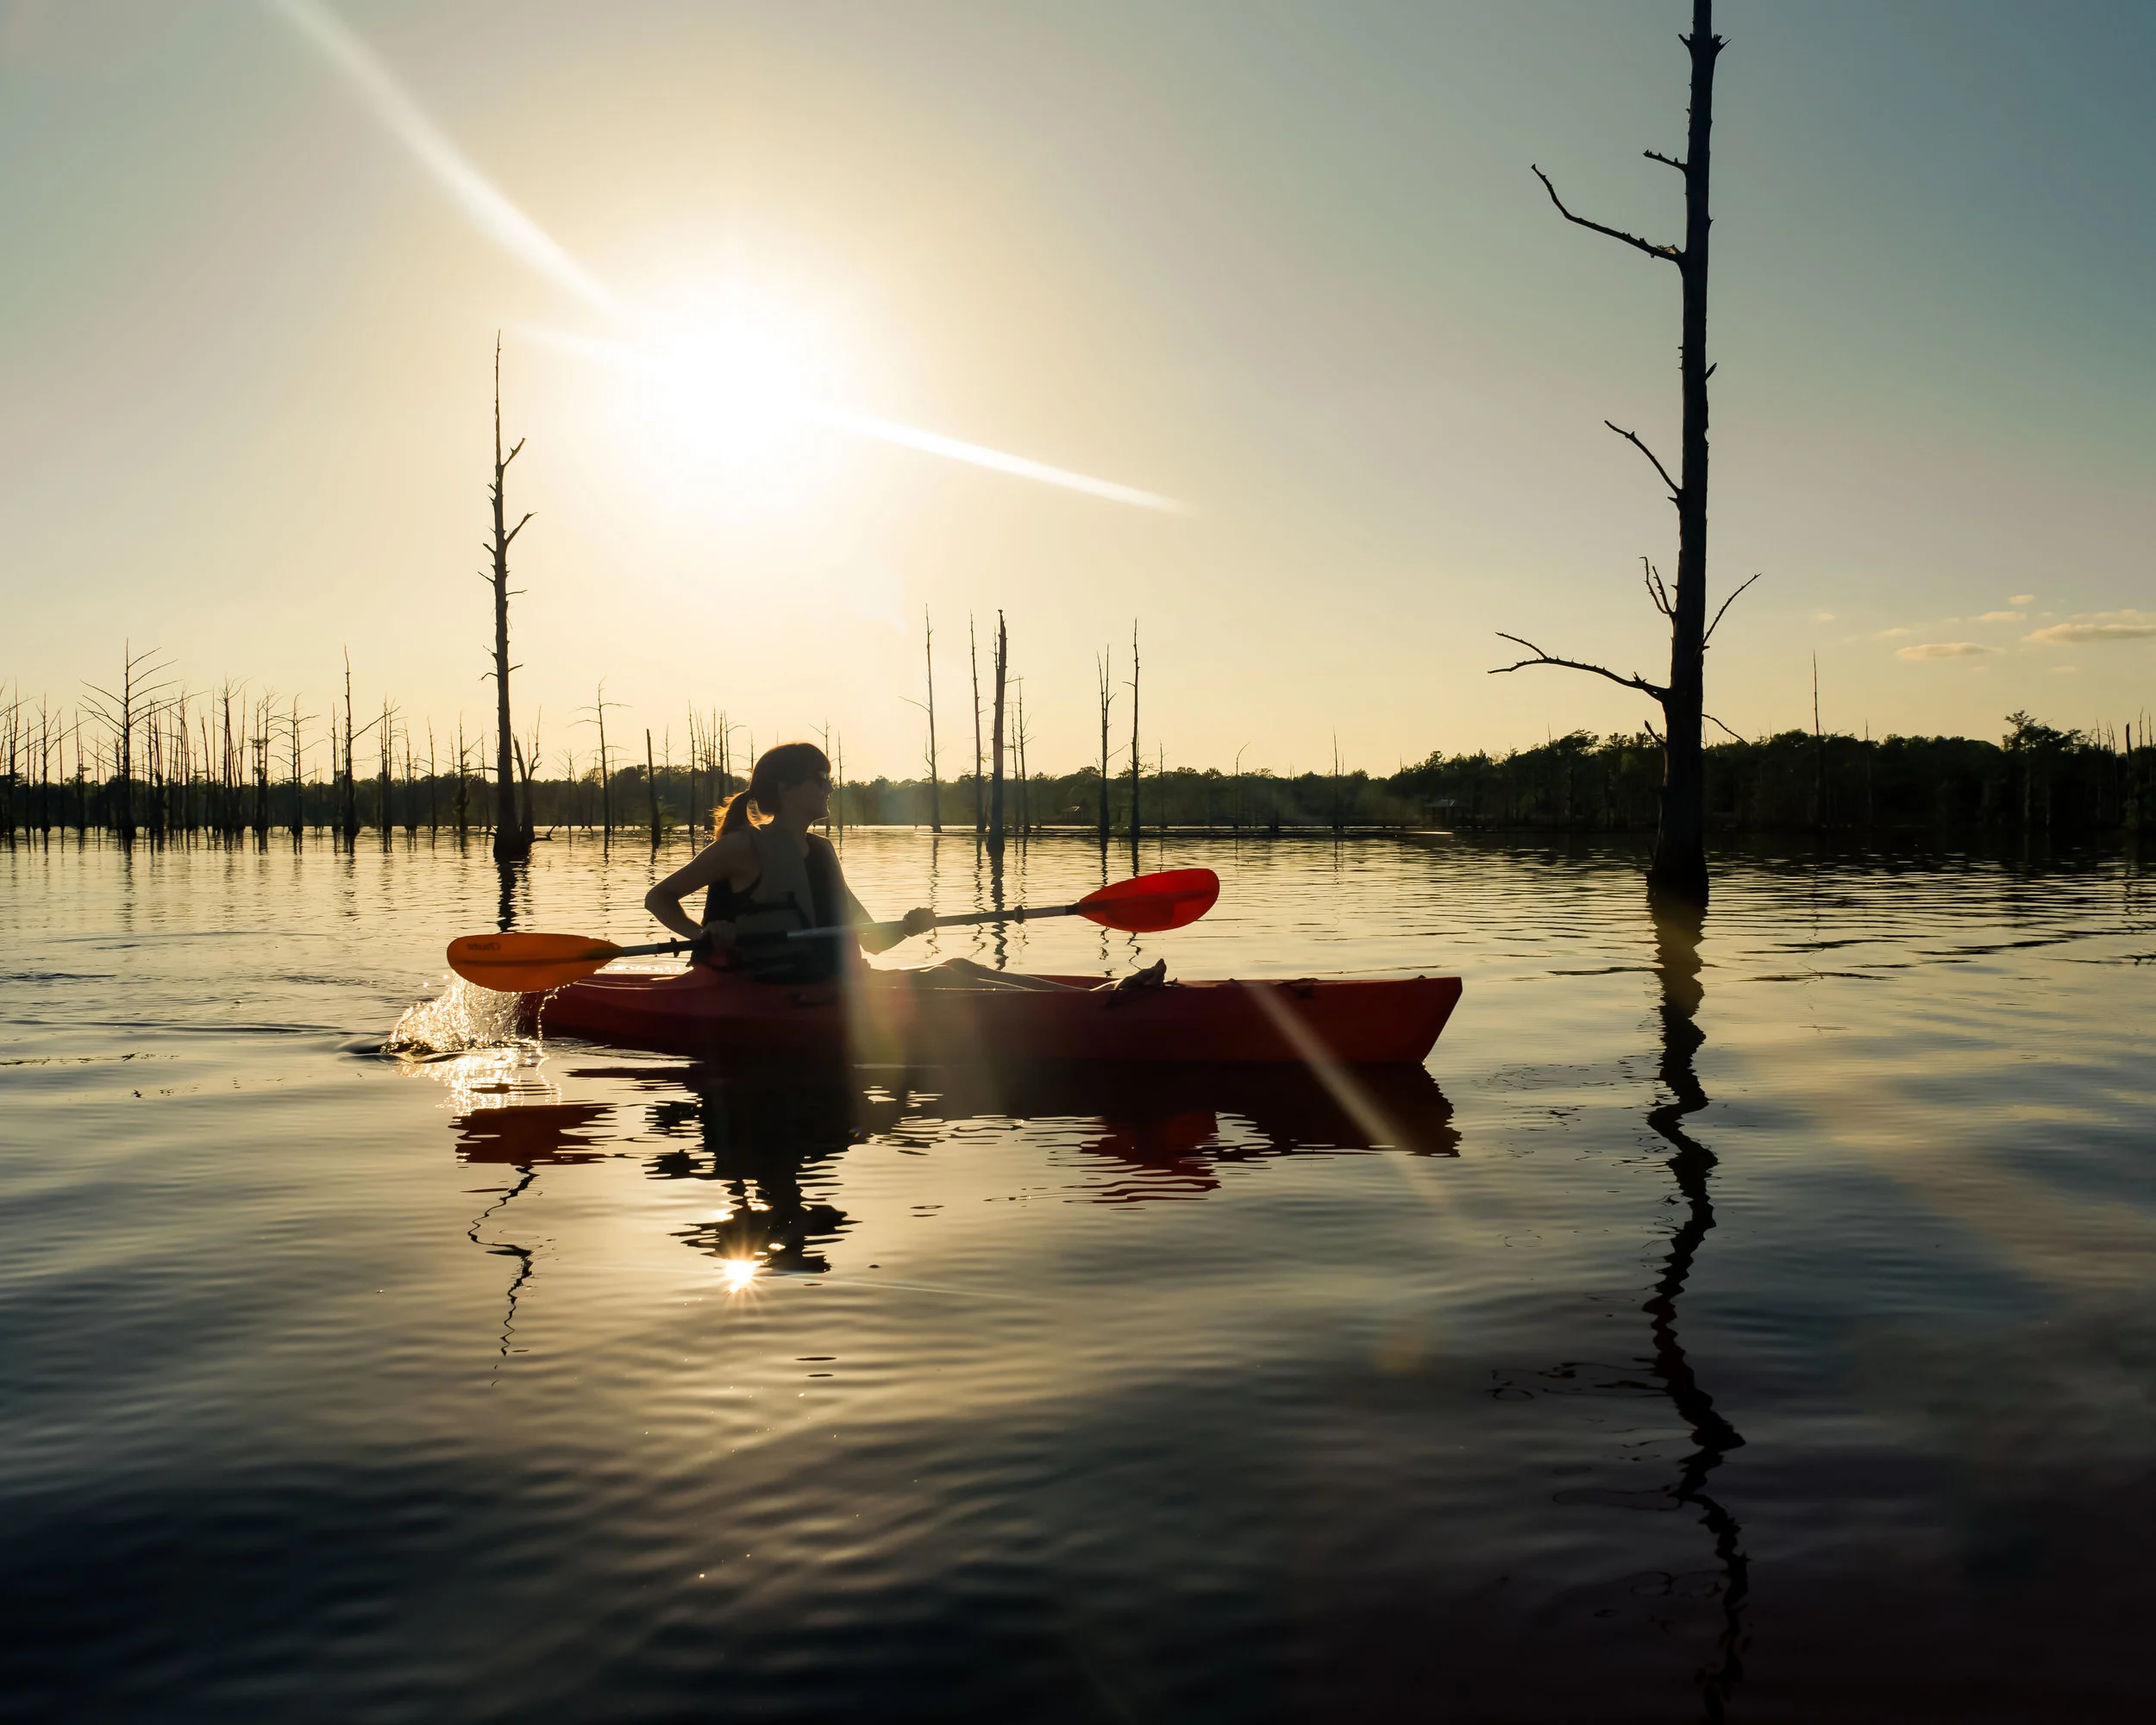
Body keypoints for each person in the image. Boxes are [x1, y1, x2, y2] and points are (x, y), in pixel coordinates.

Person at [645, 742, 933, 983]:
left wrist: (909, 926)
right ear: (785, 786)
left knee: (959, 968)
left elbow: (872, 941)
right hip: (766, 988)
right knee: (953, 978)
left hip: (836, 984)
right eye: (820, 777)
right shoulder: (743, 846)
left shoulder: (822, 850)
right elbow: (658, 897)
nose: (830, 788)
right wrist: (701, 934)